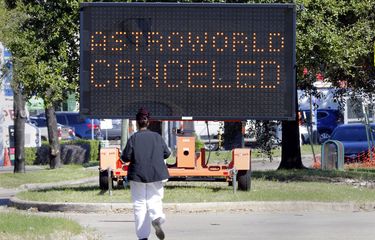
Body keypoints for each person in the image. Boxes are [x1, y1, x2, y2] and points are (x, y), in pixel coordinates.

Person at [121, 108, 171, 240]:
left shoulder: (133, 138)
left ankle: (143, 236)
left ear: (137, 123)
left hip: (137, 175)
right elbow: (167, 153)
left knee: (139, 204)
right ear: (148, 122)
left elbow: (125, 157)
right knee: (155, 199)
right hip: (156, 174)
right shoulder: (157, 137)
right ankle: (157, 218)